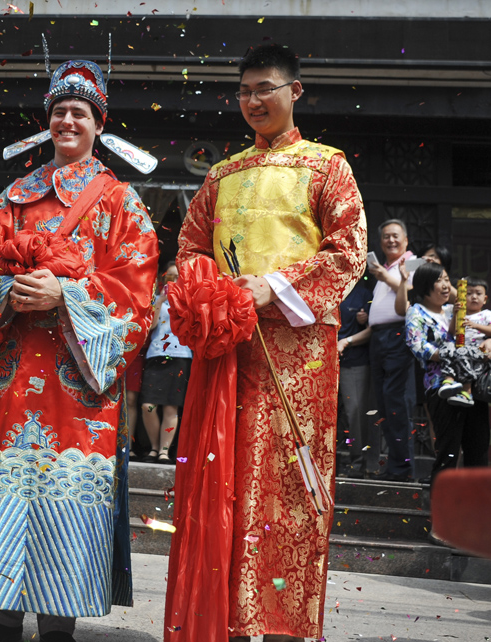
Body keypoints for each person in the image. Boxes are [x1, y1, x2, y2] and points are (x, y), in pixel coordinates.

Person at [0, 58, 159, 642]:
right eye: (59, 111)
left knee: (65, 493)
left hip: (77, 377)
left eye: (79, 113)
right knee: (5, 485)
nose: (68, 120)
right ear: (46, 121)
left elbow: (137, 292)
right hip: (11, 373)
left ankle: (58, 621)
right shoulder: (11, 196)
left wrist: (67, 292)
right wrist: (10, 292)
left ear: (99, 124)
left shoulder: (122, 202)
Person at [165, 43, 366, 642]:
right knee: (219, 480)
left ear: (294, 91)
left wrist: (271, 289)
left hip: (298, 359)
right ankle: (220, 621)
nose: (253, 101)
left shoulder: (328, 166)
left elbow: (349, 251)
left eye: (265, 89)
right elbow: (190, 249)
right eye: (245, 91)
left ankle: (280, 625)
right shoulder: (222, 175)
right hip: (230, 352)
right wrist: (214, 298)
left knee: (285, 485)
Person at [404, 264, 490, 489]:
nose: (445, 285)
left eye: (446, 280)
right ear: (424, 286)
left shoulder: (455, 309)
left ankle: (477, 514)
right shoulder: (416, 312)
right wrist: (451, 355)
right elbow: (417, 344)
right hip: (441, 387)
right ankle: (440, 518)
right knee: (449, 452)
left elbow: (480, 330)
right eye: (439, 281)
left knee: (478, 450)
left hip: (473, 387)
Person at [367, 219, 416, 482]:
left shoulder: (414, 263)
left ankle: (404, 469)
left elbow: (412, 291)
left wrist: (386, 277)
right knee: (385, 404)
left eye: (395, 236)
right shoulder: (385, 267)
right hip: (379, 339)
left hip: (398, 335)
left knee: (397, 403)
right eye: (386, 237)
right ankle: (396, 466)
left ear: (406, 240)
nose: (391, 241)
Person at [140, 261, 192, 464]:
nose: (173, 280)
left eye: (177, 277)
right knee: (148, 406)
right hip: (156, 355)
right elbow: (150, 327)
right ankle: (154, 447)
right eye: (169, 277)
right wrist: (160, 301)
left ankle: (163, 450)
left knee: (171, 407)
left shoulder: (189, 302)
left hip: (180, 355)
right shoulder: (156, 301)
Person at [336, 276, 380, 478]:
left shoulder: (363, 294)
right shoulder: (325, 289)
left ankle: (358, 463)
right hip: (320, 362)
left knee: (355, 413)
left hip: (353, 361)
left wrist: (349, 339)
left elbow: (375, 329)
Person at [434, 277, 491, 407]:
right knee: (447, 346)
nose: (474, 297)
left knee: (464, 352)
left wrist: (475, 325)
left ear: (485, 299)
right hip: (459, 348)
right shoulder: (460, 314)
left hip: (480, 350)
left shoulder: (487, 314)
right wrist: (455, 315)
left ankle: (467, 391)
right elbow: (452, 332)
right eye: (469, 294)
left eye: (478, 293)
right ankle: (449, 381)